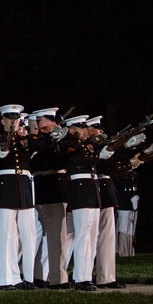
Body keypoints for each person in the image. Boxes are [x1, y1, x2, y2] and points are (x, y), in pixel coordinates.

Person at [0, 104, 43, 290]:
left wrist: (50, 135)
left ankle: (27, 278)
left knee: (29, 235)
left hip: (25, 186)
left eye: (16, 119)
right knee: (7, 235)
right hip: (7, 186)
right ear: (3, 121)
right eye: (9, 119)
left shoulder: (26, 140)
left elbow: (42, 144)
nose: (13, 122)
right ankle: (6, 278)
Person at [60, 115, 114, 292]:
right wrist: (99, 155)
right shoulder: (69, 145)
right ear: (72, 130)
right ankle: (80, 277)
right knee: (83, 236)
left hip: (91, 190)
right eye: (82, 129)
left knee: (91, 237)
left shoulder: (83, 146)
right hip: (81, 191)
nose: (85, 132)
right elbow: (76, 160)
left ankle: (86, 276)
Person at [87, 116, 141, 289]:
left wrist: (128, 162)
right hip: (91, 189)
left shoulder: (101, 147)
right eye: (97, 128)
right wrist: (124, 146)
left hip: (105, 189)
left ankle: (107, 276)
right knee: (83, 237)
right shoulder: (88, 147)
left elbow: (110, 166)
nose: (101, 131)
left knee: (107, 237)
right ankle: (80, 276)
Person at [29, 108, 70, 288]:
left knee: (56, 237)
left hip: (55, 187)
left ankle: (55, 277)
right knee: (45, 236)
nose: (38, 124)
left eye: (42, 120)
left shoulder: (60, 140)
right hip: (42, 189)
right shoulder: (39, 140)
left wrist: (57, 141)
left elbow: (62, 160)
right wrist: (50, 141)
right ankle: (44, 276)